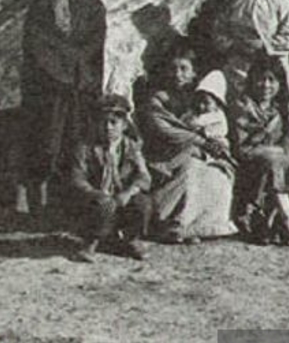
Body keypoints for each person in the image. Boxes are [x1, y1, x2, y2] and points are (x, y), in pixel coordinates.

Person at [20, 0, 107, 222]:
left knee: (78, 142)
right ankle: (38, 207)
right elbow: (36, 45)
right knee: (47, 144)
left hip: (81, 87)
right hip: (50, 87)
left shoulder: (92, 6)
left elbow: (95, 43)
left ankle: (75, 204)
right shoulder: (40, 6)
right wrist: (61, 71)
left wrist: (78, 68)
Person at [138, 45, 237, 244]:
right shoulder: (157, 100)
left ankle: (196, 227)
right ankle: (169, 223)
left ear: (193, 74)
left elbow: (214, 124)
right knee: (190, 168)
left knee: (218, 172)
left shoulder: (200, 98)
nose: (178, 74)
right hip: (165, 154)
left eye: (184, 69)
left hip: (197, 152)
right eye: (173, 69)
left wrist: (216, 144)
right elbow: (165, 131)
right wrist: (200, 141)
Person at [213, 0, 289, 150]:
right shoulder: (234, 2)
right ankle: (242, 151)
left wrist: (264, 47)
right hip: (240, 65)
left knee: (285, 107)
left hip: (274, 66)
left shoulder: (282, 3)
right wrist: (236, 46)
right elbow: (219, 33)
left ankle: (288, 150)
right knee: (241, 108)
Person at [231, 56, 289, 249]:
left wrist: (285, 150)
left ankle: (273, 221)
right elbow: (242, 147)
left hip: (275, 162)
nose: (266, 85)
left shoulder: (279, 110)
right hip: (248, 162)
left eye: (272, 80)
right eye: (261, 79)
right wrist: (275, 151)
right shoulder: (243, 106)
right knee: (277, 161)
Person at [67, 94, 152, 263]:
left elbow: (144, 176)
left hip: (121, 198)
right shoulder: (85, 147)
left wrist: (129, 192)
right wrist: (96, 194)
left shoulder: (131, 147)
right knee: (102, 206)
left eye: (114, 122)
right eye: (103, 122)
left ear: (125, 125)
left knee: (143, 203)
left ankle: (131, 239)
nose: (108, 127)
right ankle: (91, 242)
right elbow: (77, 178)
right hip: (96, 200)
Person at [185, 70, 231, 151]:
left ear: (217, 104)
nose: (201, 106)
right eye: (198, 101)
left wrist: (202, 130)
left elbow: (221, 130)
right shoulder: (194, 112)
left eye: (207, 103)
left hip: (212, 144)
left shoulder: (217, 116)